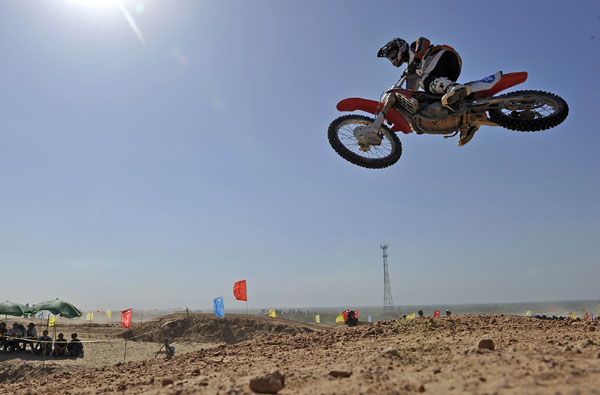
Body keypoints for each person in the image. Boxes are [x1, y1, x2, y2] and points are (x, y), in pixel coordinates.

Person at [377, 37, 477, 146]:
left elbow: (423, 41)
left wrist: (416, 59)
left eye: (392, 53)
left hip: (443, 55)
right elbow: (409, 93)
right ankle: (468, 123)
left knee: (425, 81)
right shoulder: (411, 71)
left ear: (400, 46)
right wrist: (396, 112)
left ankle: (452, 87)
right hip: (448, 69)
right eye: (391, 57)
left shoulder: (413, 49)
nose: (393, 58)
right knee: (432, 97)